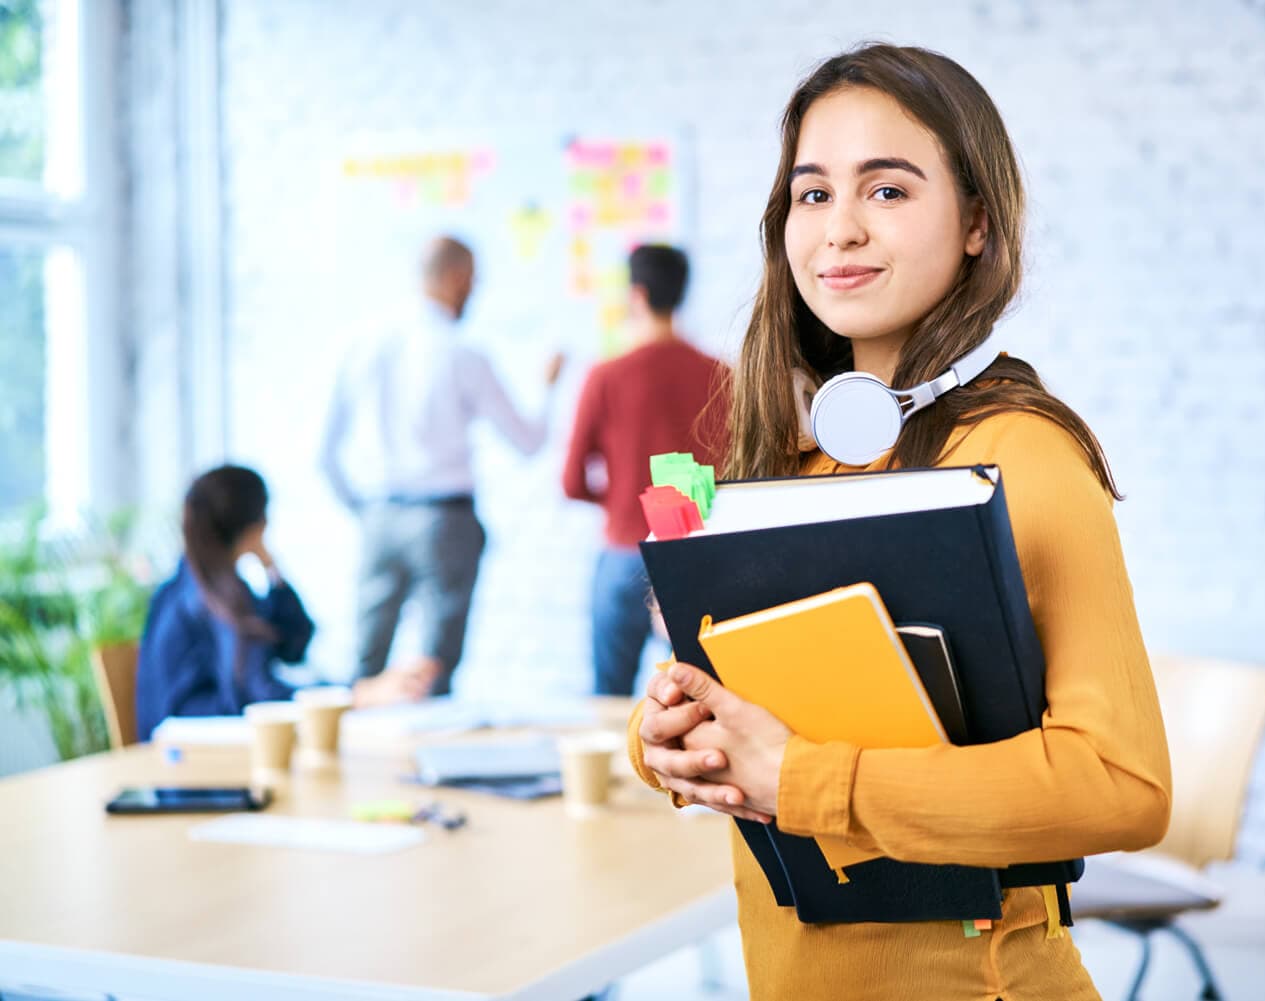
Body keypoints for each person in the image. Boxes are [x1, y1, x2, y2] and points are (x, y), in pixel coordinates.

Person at [627, 45, 1172, 1001]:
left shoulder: (1024, 454)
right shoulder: (782, 461)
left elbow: (1123, 785)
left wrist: (799, 779)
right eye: (812, 194)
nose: (839, 230)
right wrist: (669, 740)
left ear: (975, 224)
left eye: (886, 191)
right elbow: (755, 727)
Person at [320, 236, 563, 696]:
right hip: (445, 522)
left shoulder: (363, 342)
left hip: (379, 515)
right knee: (434, 671)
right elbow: (528, 441)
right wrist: (547, 387)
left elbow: (324, 454)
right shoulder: (461, 351)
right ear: (457, 278)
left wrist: (366, 511)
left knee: (365, 671)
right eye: (474, 280)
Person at [135, 465, 434, 742]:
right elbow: (260, 695)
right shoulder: (206, 600)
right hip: (193, 758)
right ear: (256, 525)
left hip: (195, 753)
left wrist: (270, 567)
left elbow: (295, 643)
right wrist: (355, 695)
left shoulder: (203, 587)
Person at [561, 245, 729, 696]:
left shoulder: (606, 375)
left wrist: (622, 499)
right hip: (693, 558)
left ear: (636, 295)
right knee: (697, 697)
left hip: (623, 552)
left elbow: (572, 482)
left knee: (609, 696)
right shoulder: (722, 377)